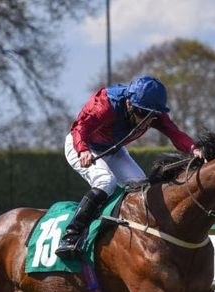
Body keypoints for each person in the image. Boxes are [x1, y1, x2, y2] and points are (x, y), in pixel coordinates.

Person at [56, 75, 205, 259]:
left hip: (114, 148)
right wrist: (83, 150)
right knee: (105, 181)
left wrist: (193, 148)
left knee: (142, 187)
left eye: (153, 116)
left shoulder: (151, 110)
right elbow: (80, 128)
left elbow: (174, 133)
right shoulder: (105, 105)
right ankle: (71, 235)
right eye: (143, 114)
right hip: (81, 145)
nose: (147, 121)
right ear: (128, 103)